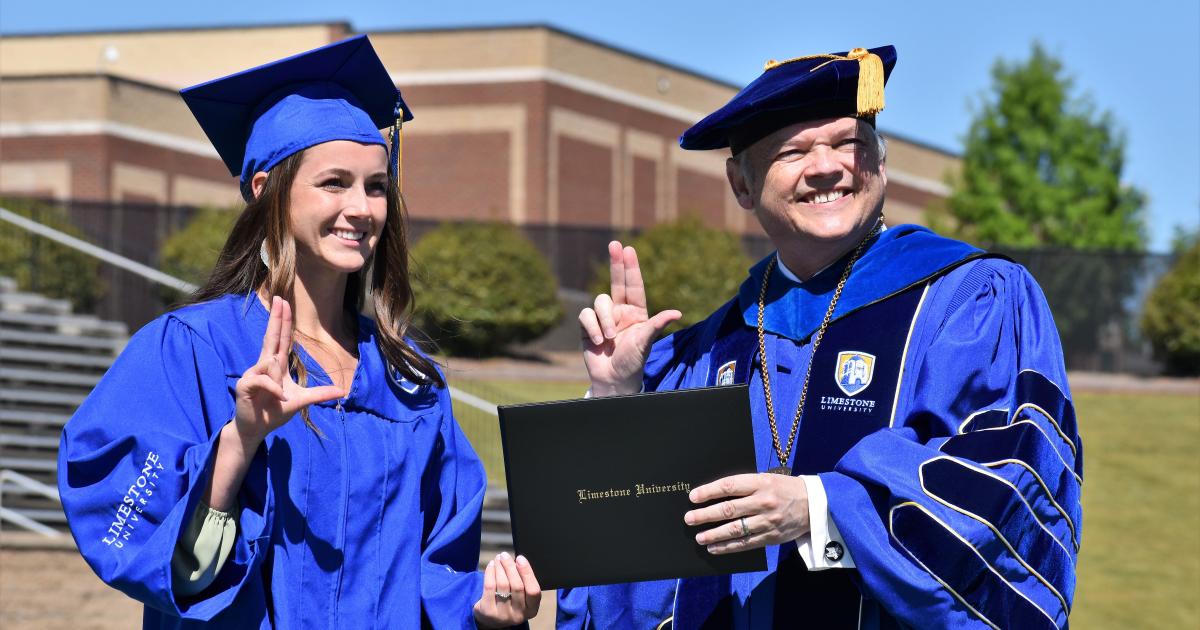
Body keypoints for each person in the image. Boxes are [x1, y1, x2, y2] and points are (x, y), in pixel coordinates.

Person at [560, 45, 1080, 629]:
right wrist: (617, 400)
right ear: (742, 184)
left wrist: (821, 508)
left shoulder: (970, 301)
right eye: (793, 151)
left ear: (880, 165)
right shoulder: (711, 349)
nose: (826, 167)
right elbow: (623, 564)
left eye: (847, 144)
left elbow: (1008, 483)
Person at [57, 35, 540, 628]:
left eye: (376, 185)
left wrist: (484, 610)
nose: (362, 208)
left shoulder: (411, 382)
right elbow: (160, 559)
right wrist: (240, 439)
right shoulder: (192, 350)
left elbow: (437, 572)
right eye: (334, 183)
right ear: (267, 190)